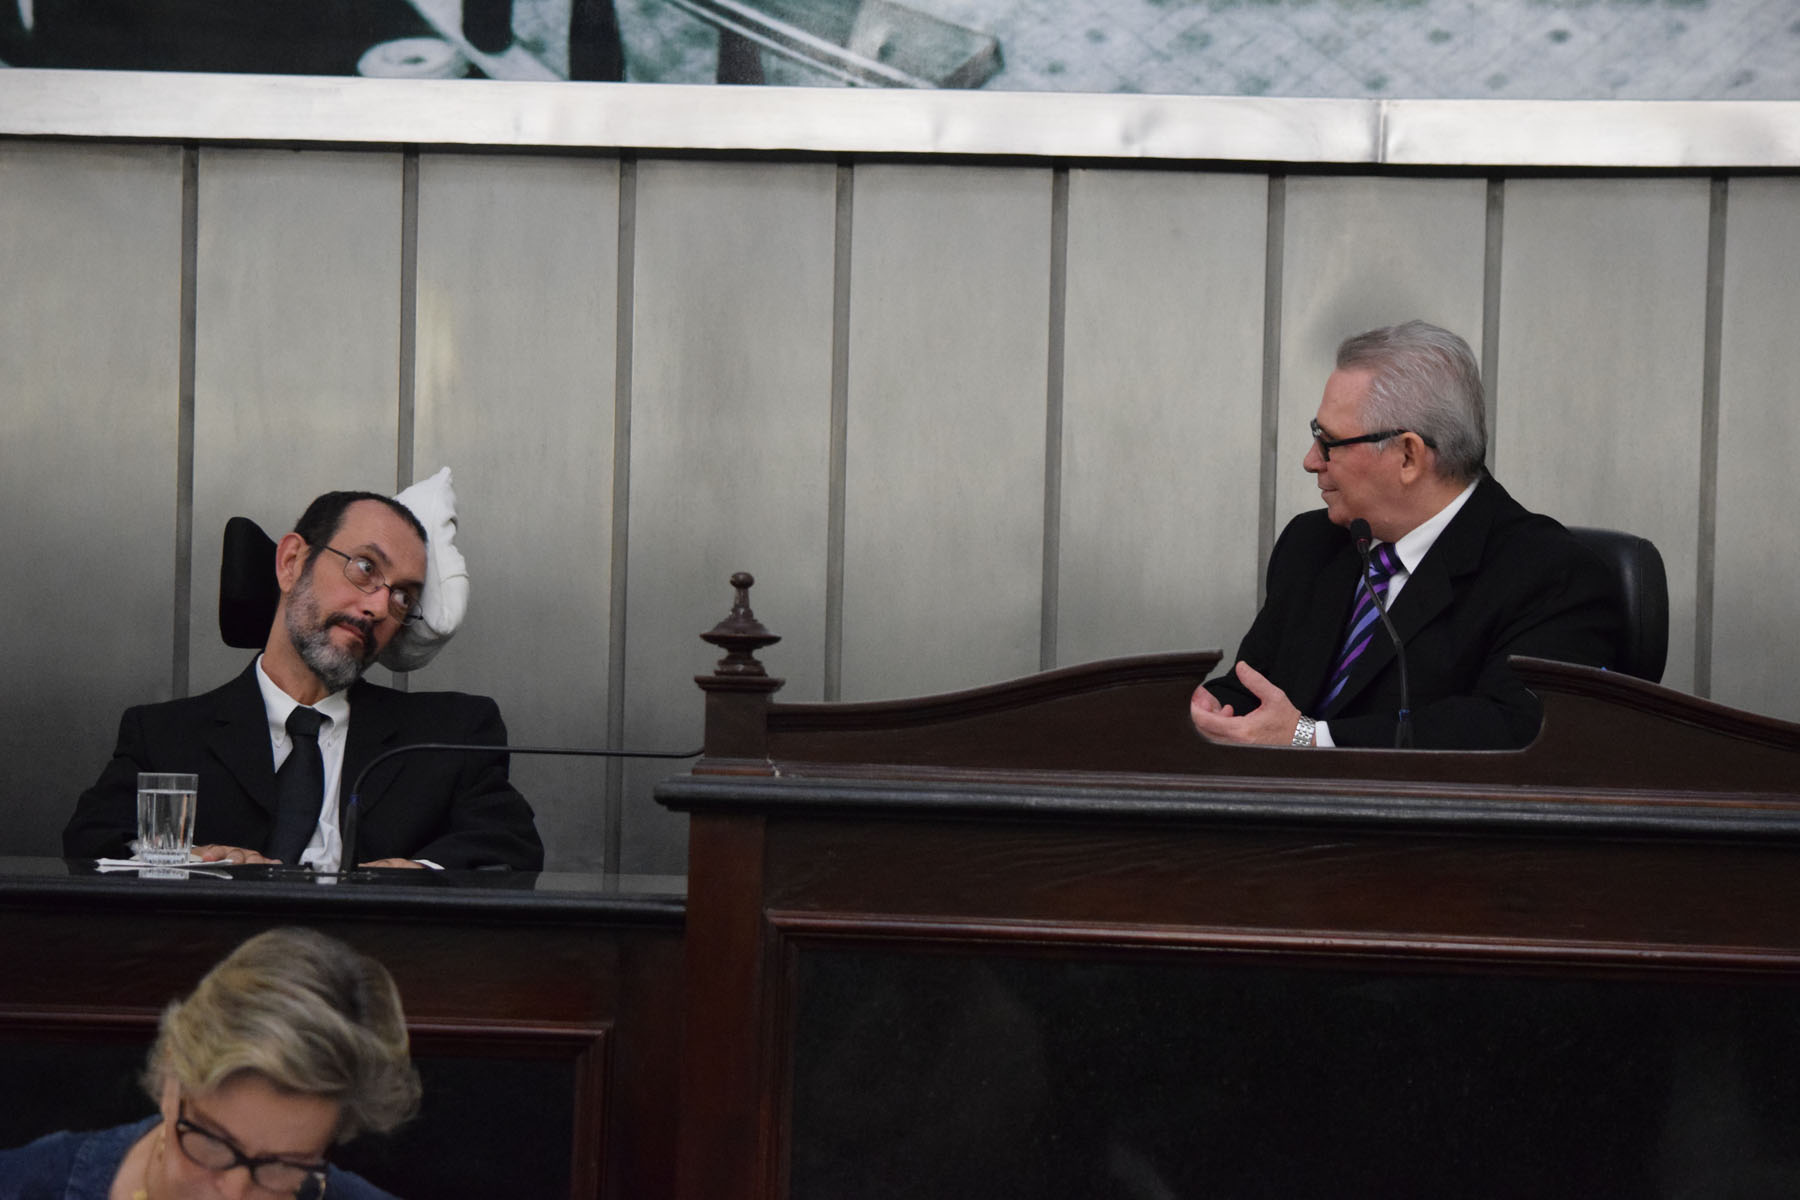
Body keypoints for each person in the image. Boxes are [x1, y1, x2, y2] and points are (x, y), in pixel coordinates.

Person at [1190, 320, 1622, 751]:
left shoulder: (1553, 577)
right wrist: (1210, 711)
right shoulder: (1312, 544)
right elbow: (1259, 690)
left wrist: (1312, 739)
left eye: (1330, 443)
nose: (1310, 461)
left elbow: (1514, 729)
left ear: (1408, 455)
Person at [63, 489, 543, 870]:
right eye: (364, 568)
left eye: (402, 597)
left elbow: (510, 847)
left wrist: (421, 874)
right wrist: (190, 863)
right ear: (292, 562)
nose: (378, 606)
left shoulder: (449, 736)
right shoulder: (166, 736)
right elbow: (92, 843)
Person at [0, 926, 420, 1199]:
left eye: (281, 1166)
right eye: (214, 1142)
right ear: (170, 1084)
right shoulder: (26, 1184)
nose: (233, 1193)